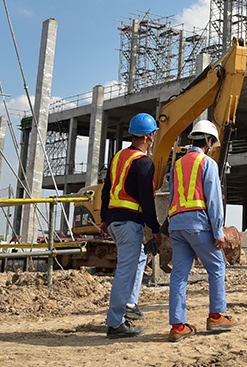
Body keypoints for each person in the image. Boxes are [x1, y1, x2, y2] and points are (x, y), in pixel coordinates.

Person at [166, 120, 238, 342]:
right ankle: (216, 316)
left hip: (176, 223)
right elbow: (214, 201)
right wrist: (218, 232)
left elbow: (171, 197)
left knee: (178, 275)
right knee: (216, 266)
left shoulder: (176, 166)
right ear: (208, 141)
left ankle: (178, 326)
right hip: (198, 222)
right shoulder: (207, 163)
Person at [99, 112, 163, 339]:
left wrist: (104, 218)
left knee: (136, 260)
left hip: (116, 220)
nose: (154, 137)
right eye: (153, 133)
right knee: (125, 271)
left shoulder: (118, 158)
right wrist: (155, 229)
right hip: (128, 222)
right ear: (147, 137)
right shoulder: (143, 163)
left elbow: (107, 190)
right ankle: (115, 322)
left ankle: (129, 305)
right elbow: (147, 198)